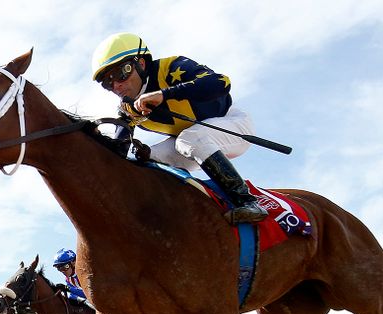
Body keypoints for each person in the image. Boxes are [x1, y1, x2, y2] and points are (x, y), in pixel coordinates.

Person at [91, 32, 267, 224]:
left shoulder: (171, 67)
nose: (116, 85)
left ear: (141, 64)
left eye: (120, 73)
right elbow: (117, 153)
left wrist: (164, 95)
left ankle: (246, 201)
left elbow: (221, 83)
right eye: (107, 82)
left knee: (189, 139)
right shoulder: (128, 108)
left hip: (232, 124)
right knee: (144, 159)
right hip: (192, 141)